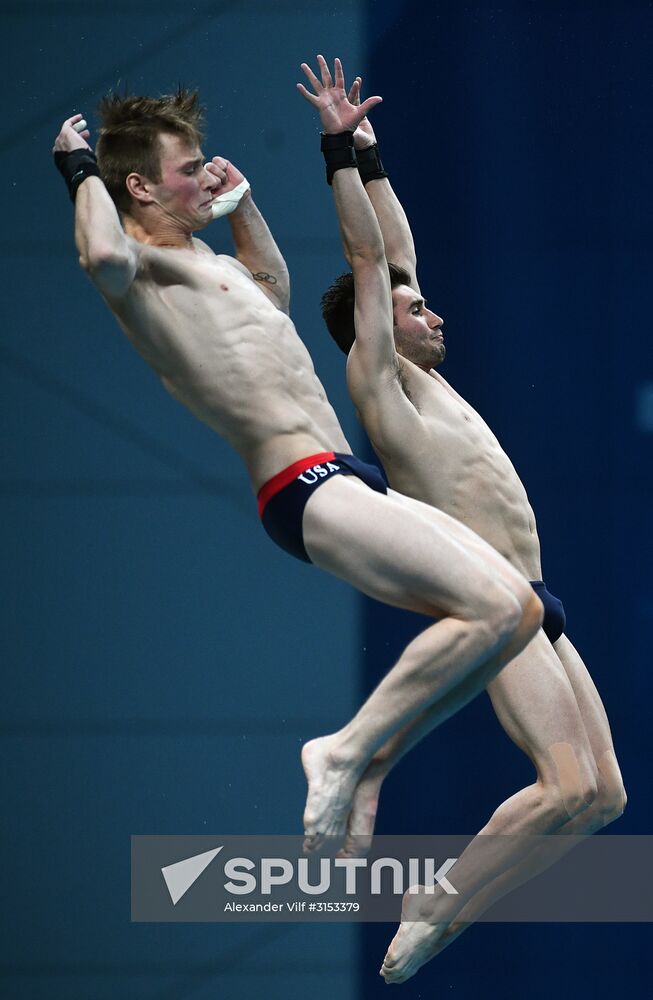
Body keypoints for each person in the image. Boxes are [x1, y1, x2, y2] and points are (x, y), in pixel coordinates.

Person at [52, 88, 542, 854]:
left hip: (339, 477)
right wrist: (80, 170)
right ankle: (345, 751)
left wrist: (240, 205)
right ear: (139, 187)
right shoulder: (140, 271)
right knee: (485, 607)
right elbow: (101, 252)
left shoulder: (203, 263)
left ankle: (369, 761)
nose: (200, 179)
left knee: (518, 609)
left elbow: (272, 292)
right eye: (186, 171)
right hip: (300, 485)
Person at [298, 56, 627, 983]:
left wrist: (372, 156)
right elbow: (371, 262)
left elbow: (396, 251)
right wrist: (332, 149)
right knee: (561, 784)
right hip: (495, 603)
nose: (429, 308)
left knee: (601, 796)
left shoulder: (430, 380)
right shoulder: (380, 383)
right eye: (412, 310)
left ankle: (457, 903)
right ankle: (438, 902)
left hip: (538, 597)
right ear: (373, 328)